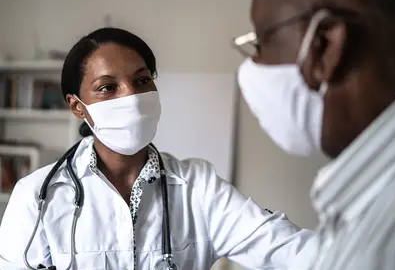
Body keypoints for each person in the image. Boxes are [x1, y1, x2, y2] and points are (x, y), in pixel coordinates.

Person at [0, 27, 314, 270]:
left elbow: (288, 250)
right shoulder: (36, 195)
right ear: (78, 107)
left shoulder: (197, 187)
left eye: (141, 80)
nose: (131, 98)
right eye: (108, 88)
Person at [235, 0, 395, 269]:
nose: (255, 63)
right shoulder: (362, 206)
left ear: (323, 46)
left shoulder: (385, 240)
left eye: (262, 42)